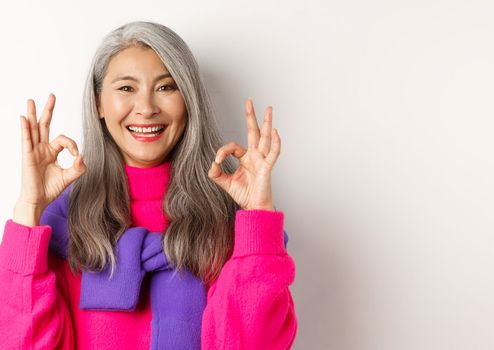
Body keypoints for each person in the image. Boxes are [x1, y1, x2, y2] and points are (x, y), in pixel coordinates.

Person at [0, 21, 298, 349]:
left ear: (189, 101)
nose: (146, 108)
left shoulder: (229, 224)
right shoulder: (64, 222)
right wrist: (29, 208)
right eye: (127, 88)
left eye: (166, 87)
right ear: (99, 102)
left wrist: (258, 216)